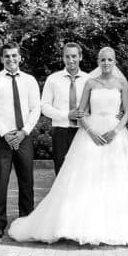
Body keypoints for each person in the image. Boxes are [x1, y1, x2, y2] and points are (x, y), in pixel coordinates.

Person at [8, 47, 128, 247]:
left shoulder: (122, 83)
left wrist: (116, 130)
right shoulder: (90, 83)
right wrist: (91, 133)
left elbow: (127, 112)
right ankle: (73, 225)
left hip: (115, 135)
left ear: (115, 61)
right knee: (82, 181)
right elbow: (81, 112)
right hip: (91, 135)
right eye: (102, 60)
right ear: (98, 61)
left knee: (116, 180)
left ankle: (114, 226)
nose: (106, 63)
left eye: (110, 59)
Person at [0, 43, 41, 239]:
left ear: (20, 58)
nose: (11, 59)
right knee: (0, 182)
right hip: (2, 139)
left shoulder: (30, 81)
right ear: (2, 59)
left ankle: (26, 222)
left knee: (27, 181)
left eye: (14, 56)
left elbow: (35, 109)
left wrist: (24, 132)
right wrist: (6, 134)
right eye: (7, 56)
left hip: (23, 137)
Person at [41, 42, 90, 174]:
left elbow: (95, 105)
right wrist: (66, 115)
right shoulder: (53, 79)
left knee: (82, 171)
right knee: (62, 172)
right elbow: (44, 106)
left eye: (74, 56)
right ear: (63, 58)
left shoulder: (89, 80)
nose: (70, 60)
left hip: (83, 132)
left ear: (80, 57)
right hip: (61, 132)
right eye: (67, 56)